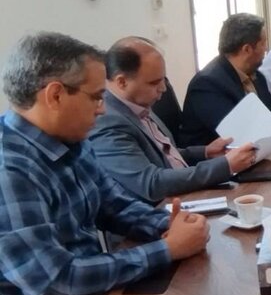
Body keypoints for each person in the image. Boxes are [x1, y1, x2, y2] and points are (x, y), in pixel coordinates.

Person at [0, 33, 209, 295]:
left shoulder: (69, 137)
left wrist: (169, 225)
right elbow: (54, 282)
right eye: (97, 97)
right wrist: (167, 249)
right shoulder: (9, 170)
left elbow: (112, 204)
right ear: (55, 95)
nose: (102, 109)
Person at [89, 37, 257, 204]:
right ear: (122, 82)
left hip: (184, 196)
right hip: (158, 211)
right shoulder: (107, 121)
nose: (163, 88)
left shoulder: (136, 102)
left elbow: (162, 156)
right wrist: (226, 165)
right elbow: (151, 183)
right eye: (154, 83)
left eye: (164, 79)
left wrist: (206, 152)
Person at [181, 13, 271, 146]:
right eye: (263, 43)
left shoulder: (255, 74)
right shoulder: (207, 84)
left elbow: (269, 106)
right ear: (247, 49)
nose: (266, 49)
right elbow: (235, 135)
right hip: (218, 156)